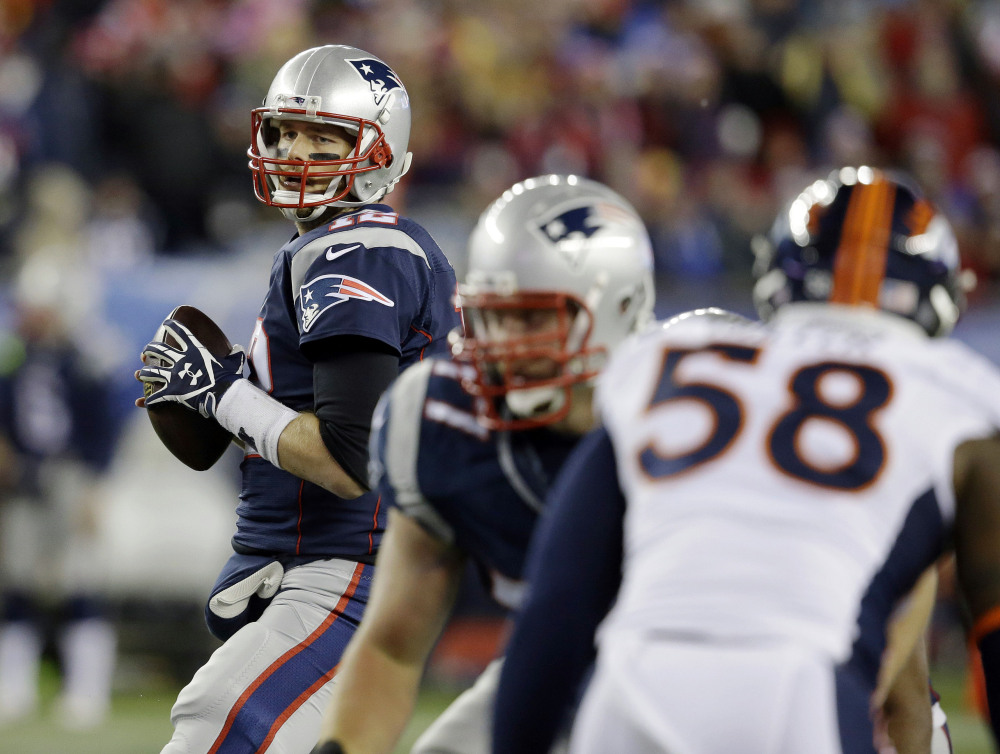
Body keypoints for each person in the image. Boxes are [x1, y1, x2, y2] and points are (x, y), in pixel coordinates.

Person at [493, 166, 1000, 754]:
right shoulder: (962, 397)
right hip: (797, 691)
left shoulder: (670, 362)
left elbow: (556, 607)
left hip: (634, 684)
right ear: (940, 294)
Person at [135, 45, 460, 753]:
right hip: (334, 565)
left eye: (324, 136)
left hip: (353, 571)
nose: (293, 150)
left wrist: (225, 397)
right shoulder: (340, 247)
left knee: (224, 720)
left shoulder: (359, 250)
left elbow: (351, 459)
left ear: (379, 150)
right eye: (284, 132)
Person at [310, 174, 656, 754]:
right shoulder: (445, 424)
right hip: (554, 667)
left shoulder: (694, 419)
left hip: (698, 680)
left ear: (622, 307)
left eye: (532, 318)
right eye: (495, 316)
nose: (505, 344)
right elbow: (393, 645)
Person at [0, 269, 120, 730]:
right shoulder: (15, 356)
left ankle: (87, 692)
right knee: (18, 584)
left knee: (79, 583)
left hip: (71, 476)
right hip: (22, 478)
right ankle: (15, 689)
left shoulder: (84, 358)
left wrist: (94, 486)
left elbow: (103, 429)